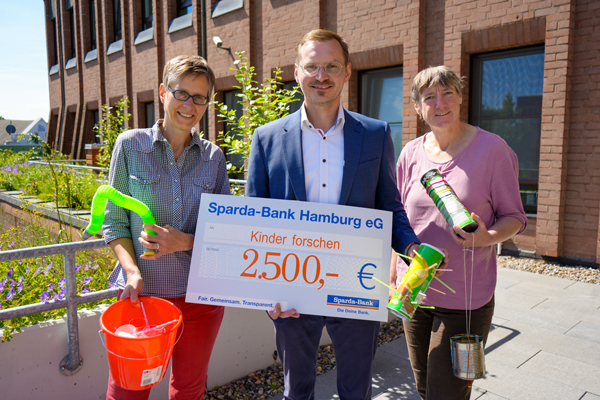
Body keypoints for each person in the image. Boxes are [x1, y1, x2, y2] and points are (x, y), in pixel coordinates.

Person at [246, 29, 421, 400]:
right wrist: (263, 290)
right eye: (312, 67)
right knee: (297, 389)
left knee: (356, 389)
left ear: (347, 72)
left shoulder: (375, 134)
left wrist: (411, 248)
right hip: (290, 284)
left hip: (356, 282)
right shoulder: (266, 137)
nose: (321, 76)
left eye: (331, 66)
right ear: (297, 73)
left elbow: (389, 204)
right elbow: (254, 220)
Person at [392, 65, 528, 399]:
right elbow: (396, 214)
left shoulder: (493, 150)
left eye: (447, 93)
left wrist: (487, 237)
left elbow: (515, 216)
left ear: (460, 97)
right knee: (425, 388)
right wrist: (393, 276)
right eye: (429, 97)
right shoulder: (410, 153)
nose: (440, 103)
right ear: (417, 107)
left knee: (448, 393)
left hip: (466, 299)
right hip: (414, 291)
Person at [103, 55, 230, 400]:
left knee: (188, 390)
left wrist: (184, 241)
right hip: (141, 297)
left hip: (199, 298)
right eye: (181, 93)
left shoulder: (214, 158)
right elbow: (114, 222)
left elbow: (225, 234)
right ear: (163, 92)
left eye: (200, 97)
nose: (190, 105)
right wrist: (131, 272)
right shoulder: (130, 145)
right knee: (129, 388)